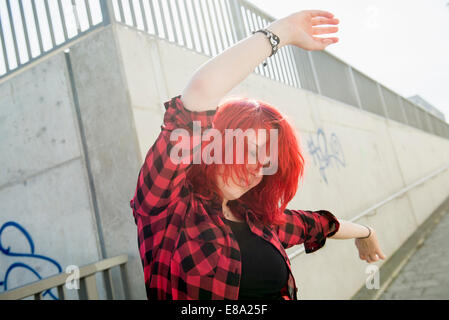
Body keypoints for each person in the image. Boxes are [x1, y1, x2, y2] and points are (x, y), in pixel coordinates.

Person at [130, 10, 386, 300]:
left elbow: (319, 224)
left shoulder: (260, 220)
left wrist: (367, 233)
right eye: (249, 151)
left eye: (266, 163)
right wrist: (283, 32)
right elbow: (200, 94)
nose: (256, 169)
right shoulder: (168, 206)